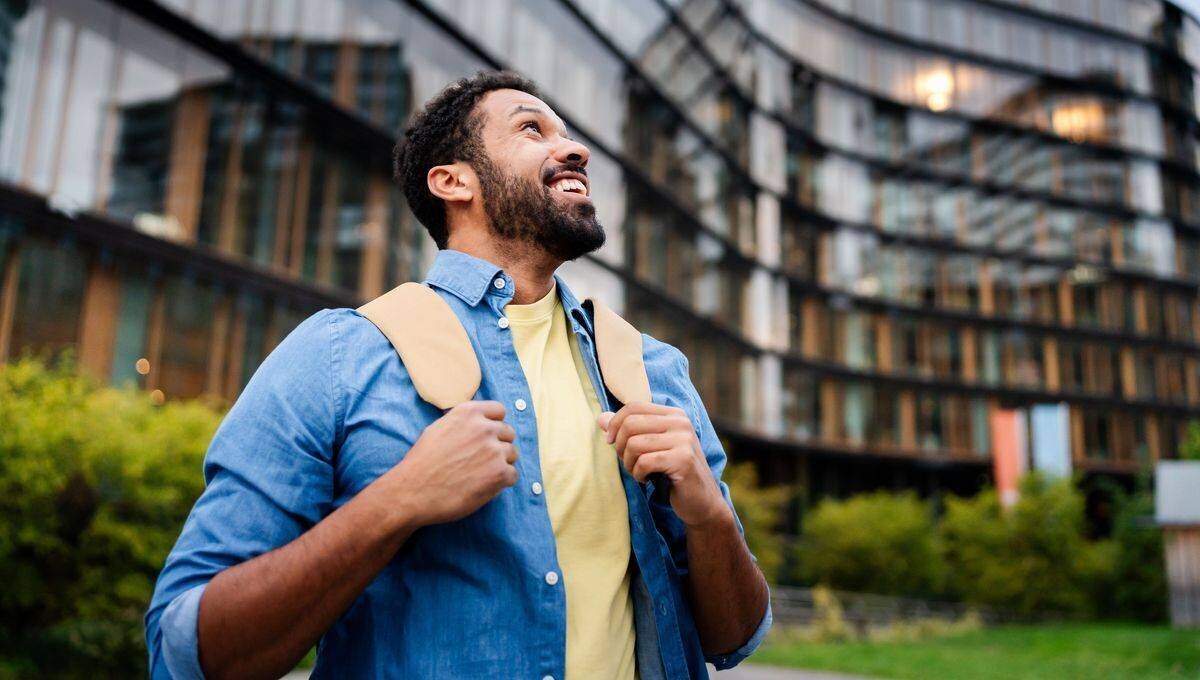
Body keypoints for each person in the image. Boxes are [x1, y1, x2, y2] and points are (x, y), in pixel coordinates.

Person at [146, 70, 770, 680]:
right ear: (452, 182)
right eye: (533, 130)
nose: (575, 148)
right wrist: (396, 503)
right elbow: (187, 652)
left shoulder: (651, 369)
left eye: (568, 134)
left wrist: (709, 515)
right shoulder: (341, 356)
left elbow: (734, 638)